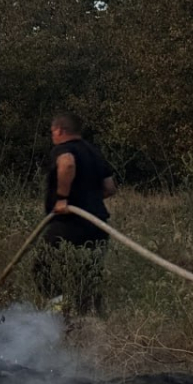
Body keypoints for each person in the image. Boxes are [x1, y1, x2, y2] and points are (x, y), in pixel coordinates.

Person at [35, 111, 117, 315]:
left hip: (69, 225)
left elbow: (67, 163)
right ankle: (91, 319)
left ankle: (58, 312)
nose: (52, 136)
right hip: (98, 225)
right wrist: (89, 200)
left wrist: (63, 198)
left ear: (61, 130)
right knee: (89, 274)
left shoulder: (63, 149)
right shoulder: (94, 151)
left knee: (43, 268)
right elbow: (109, 187)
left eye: (52, 131)